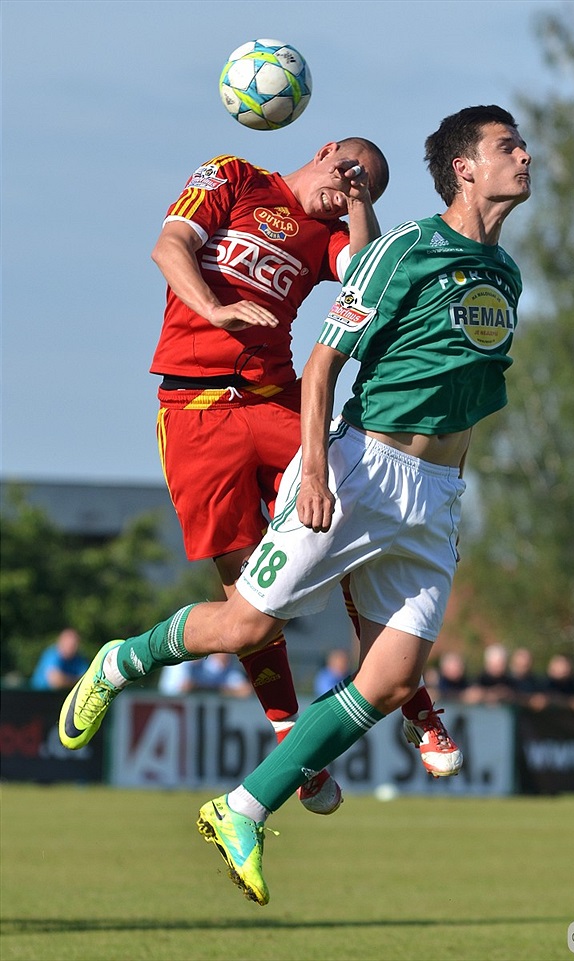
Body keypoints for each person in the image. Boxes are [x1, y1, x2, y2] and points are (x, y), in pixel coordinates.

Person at [59, 104, 531, 905]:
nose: (526, 156)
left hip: (433, 495)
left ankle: (242, 807)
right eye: (508, 146)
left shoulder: (503, 273)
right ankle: (121, 659)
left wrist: (447, 488)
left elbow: (460, 384)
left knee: (384, 679)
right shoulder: (367, 234)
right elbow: (317, 354)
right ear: (465, 167)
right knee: (247, 619)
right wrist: (315, 472)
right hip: (331, 456)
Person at [148, 137, 460, 808]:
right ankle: (293, 741)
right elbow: (169, 245)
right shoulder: (234, 176)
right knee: (248, 602)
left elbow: (366, 275)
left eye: (369, 185)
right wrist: (216, 308)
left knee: (352, 517)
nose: (353, 185)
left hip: (273, 402)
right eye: (350, 171)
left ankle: (417, 706)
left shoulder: (327, 234)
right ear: (324, 149)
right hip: (195, 407)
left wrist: (356, 210)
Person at [159, 653, 253, 697]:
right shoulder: (180, 661)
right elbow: (186, 687)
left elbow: (246, 690)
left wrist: (213, 689)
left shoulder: (214, 664)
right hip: (170, 709)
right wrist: (220, 690)